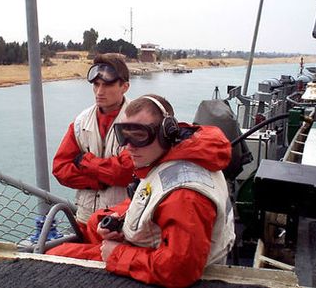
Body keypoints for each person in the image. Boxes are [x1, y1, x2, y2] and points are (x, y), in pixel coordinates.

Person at [47, 94, 235, 288]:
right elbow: (154, 197)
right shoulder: (172, 157)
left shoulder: (185, 195)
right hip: (152, 247)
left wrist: (117, 255)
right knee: (96, 222)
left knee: (53, 257)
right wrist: (120, 221)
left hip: (159, 263)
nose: (129, 147)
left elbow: (179, 270)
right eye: (124, 136)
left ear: (166, 132)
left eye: (139, 136)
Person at [52, 53, 134, 232]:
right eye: (96, 84)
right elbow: (60, 169)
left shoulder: (138, 120)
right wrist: (99, 181)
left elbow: (127, 171)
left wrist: (84, 161)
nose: (99, 91)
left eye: (107, 85)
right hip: (85, 219)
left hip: (122, 220)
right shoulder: (81, 122)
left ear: (125, 87)